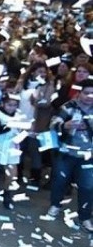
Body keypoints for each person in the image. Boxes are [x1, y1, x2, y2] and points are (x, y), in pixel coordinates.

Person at [45, 78, 93, 233]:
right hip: (66, 152)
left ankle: (85, 217)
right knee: (60, 180)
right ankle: (55, 205)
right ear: (79, 93)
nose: (89, 97)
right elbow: (52, 124)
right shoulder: (69, 107)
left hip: (88, 155)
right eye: (86, 93)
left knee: (87, 186)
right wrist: (64, 126)